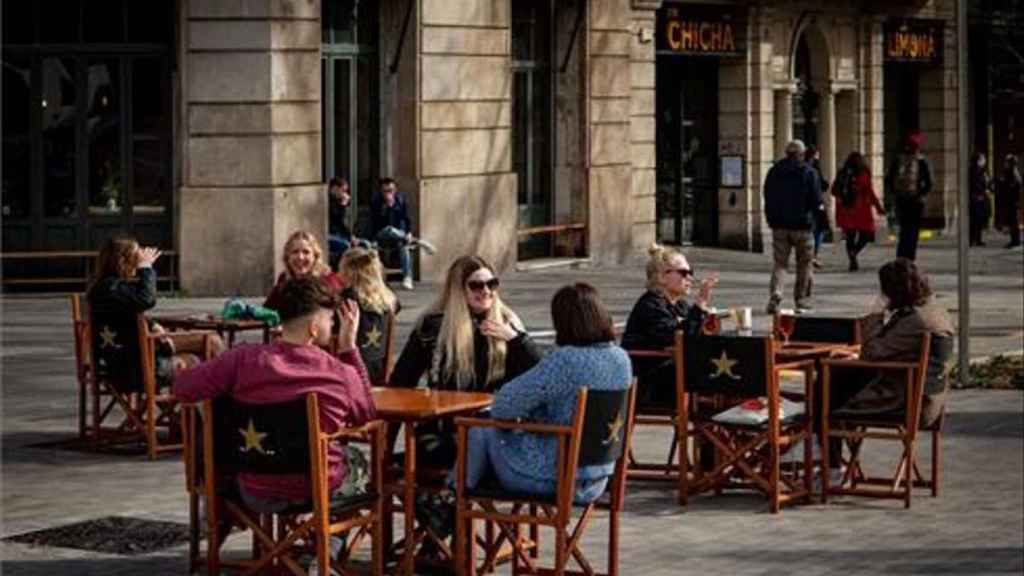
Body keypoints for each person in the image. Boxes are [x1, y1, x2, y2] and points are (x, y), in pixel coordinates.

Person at [174, 277, 376, 512]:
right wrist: (348, 348)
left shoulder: (241, 360)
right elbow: (365, 413)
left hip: (254, 489)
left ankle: (269, 543)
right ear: (313, 327)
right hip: (317, 490)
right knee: (356, 461)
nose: (332, 326)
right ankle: (329, 544)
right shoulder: (339, 373)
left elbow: (183, 389)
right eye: (330, 319)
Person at [461, 283, 632, 503]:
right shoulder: (621, 359)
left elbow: (504, 406)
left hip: (553, 477)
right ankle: (455, 499)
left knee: (478, 429)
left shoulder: (564, 360)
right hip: (598, 479)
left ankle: (456, 498)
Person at [388, 255, 542, 466]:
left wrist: (516, 340)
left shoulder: (507, 323)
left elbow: (541, 374)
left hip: (493, 430)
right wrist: (385, 446)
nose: (486, 291)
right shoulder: (432, 327)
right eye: (476, 285)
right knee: (422, 456)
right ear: (459, 290)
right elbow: (402, 381)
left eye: (491, 284)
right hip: (443, 429)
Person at [826, 258, 954, 478]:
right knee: (839, 381)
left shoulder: (916, 320)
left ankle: (829, 463)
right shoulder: (935, 311)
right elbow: (892, 349)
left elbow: (871, 352)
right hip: (928, 398)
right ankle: (830, 459)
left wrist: (876, 312)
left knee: (828, 387)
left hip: (905, 403)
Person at [88, 235, 224, 392]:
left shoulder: (103, 288)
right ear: (123, 262)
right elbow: (146, 299)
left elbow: (125, 317)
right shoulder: (111, 289)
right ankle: (225, 404)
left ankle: (192, 415)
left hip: (123, 364)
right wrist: (145, 267)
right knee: (209, 346)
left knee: (204, 355)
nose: (138, 261)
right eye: (136, 257)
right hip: (138, 370)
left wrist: (153, 325)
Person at [620, 244, 716, 408]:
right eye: (684, 273)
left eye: (690, 272)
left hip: (673, 372)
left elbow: (691, 338)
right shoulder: (650, 305)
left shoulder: (681, 306)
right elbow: (675, 337)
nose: (690, 278)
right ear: (661, 277)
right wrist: (700, 304)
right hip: (649, 382)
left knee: (727, 368)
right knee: (716, 376)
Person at [763, 139, 822, 313]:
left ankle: (776, 293)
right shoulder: (809, 172)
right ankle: (801, 299)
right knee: (804, 264)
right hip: (803, 226)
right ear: (802, 154)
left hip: (779, 226)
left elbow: (767, 196)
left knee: (780, 264)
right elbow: (816, 200)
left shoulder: (774, 171)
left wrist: (771, 219)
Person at [337, 247, 400, 386]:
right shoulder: (388, 298)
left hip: (353, 367)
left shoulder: (347, 299)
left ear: (348, 271)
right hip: (379, 368)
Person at [370, 178, 436, 291]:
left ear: (395, 190)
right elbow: (375, 223)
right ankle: (418, 242)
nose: (389, 193)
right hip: (381, 235)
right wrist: (387, 208)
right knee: (389, 229)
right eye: (386, 191)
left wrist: (409, 232)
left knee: (404, 245)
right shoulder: (376, 201)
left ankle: (407, 278)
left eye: (391, 190)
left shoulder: (400, 200)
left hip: (398, 235)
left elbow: (406, 218)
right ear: (381, 191)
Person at [264, 231, 344, 312]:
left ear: (315, 257)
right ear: (287, 258)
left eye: (306, 252)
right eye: (295, 252)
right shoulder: (284, 280)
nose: (300, 257)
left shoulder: (329, 282)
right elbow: (266, 311)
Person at [834, 152, 886, 272]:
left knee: (850, 237)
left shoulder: (843, 173)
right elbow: (870, 192)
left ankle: (852, 257)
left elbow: (834, 190)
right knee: (866, 235)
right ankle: (854, 254)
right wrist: (878, 207)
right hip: (862, 209)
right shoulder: (864, 173)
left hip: (846, 209)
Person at [887, 130, 933, 261]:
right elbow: (928, 182)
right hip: (913, 200)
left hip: (905, 199)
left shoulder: (900, 160)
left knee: (906, 229)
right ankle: (908, 256)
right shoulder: (920, 161)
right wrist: (922, 194)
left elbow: (889, 179)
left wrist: (895, 193)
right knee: (911, 230)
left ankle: (903, 255)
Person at [326, 177, 370, 268]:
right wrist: (342, 206)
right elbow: (336, 220)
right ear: (334, 189)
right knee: (346, 246)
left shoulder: (338, 203)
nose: (344, 194)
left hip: (340, 234)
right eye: (343, 191)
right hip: (329, 234)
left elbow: (342, 225)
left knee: (365, 244)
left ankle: (363, 271)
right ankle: (343, 271)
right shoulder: (327, 201)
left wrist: (351, 236)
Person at [806, 146, 830, 270]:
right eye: (817, 155)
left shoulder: (803, 167)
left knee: (812, 230)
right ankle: (814, 255)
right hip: (816, 204)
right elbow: (821, 185)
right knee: (818, 230)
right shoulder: (814, 168)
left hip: (805, 204)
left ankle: (811, 256)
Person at [995, 153, 1022, 248]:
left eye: (1007, 162)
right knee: (1012, 222)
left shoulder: (1013, 173)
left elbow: (1014, 187)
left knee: (1013, 222)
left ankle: (1015, 241)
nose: (1005, 164)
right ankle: (1014, 240)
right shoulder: (1009, 172)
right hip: (1009, 201)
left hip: (1012, 202)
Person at [968, 152, 992, 247]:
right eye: (982, 159)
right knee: (974, 221)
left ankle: (978, 239)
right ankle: (971, 240)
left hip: (982, 199)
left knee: (979, 221)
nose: (984, 161)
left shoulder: (983, 171)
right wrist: (982, 191)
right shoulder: (972, 171)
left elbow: (987, 182)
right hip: (975, 198)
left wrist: (989, 187)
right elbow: (974, 184)